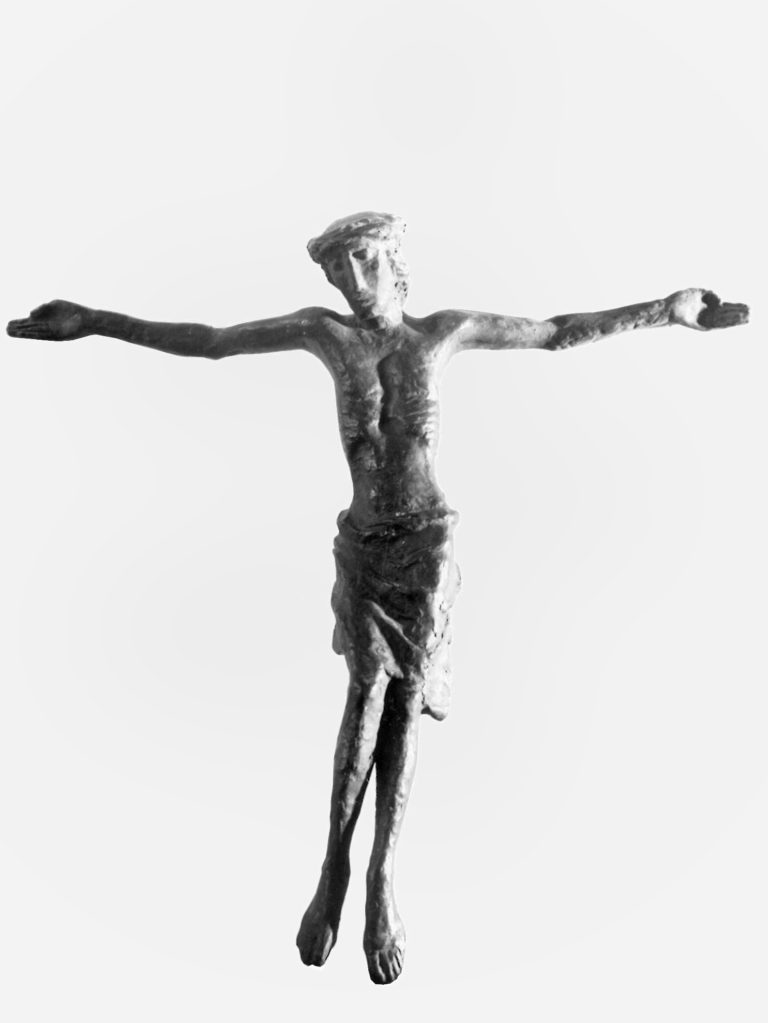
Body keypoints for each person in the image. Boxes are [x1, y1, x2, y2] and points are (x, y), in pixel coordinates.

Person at [7, 212, 749, 984]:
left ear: (394, 259)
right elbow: (214, 340)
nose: (352, 281)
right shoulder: (326, 334)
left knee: (405, 700)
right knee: (365, 691)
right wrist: (94, 321)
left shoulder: (442, 334)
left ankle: (380, 876)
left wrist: (665, 310)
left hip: (426, 542)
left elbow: (555, 332)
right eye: (337, 270)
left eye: (363, 260)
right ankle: (334, 864)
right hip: (365, 541)